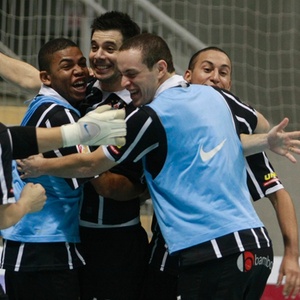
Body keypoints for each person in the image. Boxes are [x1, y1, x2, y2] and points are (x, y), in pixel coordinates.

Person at [16, 33, 300, 299]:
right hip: (257, 248)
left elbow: (91, 164)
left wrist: (42, 165)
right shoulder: (217, 97)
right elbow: (250, 128)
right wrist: (266, 139)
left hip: (211, 253)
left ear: (160, 68)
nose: (125, 84)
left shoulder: (149, 118)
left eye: (131, 74)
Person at [0, 11, 149, 300]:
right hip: (60, 238)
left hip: (114, 240)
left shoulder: (141, 108)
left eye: (110, 48)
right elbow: (38, 77)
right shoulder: (79, 93)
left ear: (129, 55)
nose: (97, 57)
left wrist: (48, 165)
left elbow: (110, 185)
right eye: (94, 47)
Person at [142, 46, 300, 299]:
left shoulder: (238, 136)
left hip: (211, 254)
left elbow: (278, 193)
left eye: (224, 73)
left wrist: (292, 255)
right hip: (164, 252)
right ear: (187, 76)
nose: (216, 77)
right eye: (208, 69)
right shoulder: (164, 113)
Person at [0, 107, 126, 229]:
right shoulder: (57, 112)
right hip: (41, 234)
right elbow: (4, 217)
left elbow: (10, 139)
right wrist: (27, 203)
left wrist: (78, 132)